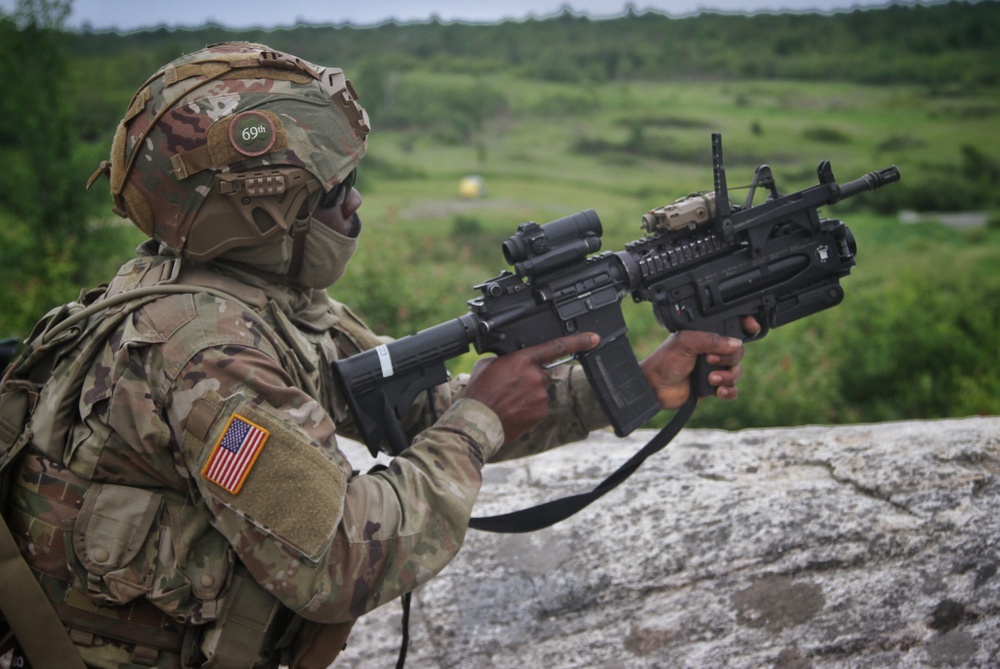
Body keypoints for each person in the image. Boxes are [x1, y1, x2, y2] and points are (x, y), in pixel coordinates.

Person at [0, 42, 752, 669]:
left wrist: (624, 385)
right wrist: (479, 424)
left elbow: (410, 407)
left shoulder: (249, 290)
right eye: (334, 191)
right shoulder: (208, 354)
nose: (354, 206)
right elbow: (338, 559)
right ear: (257, 216)